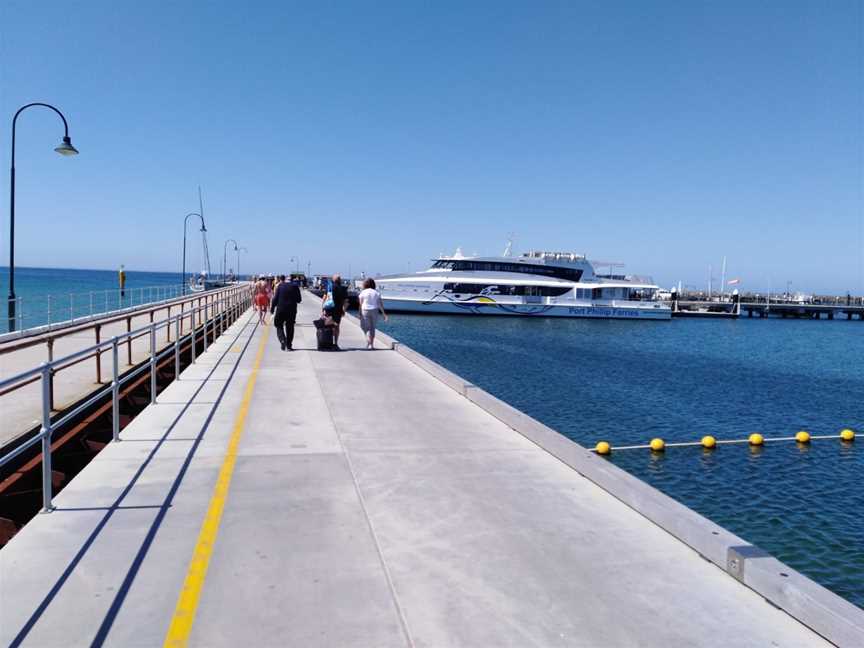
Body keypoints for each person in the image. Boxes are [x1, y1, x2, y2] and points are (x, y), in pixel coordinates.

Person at [271, 274, 302, 350]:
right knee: (290, 327)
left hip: (281, 309)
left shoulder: (280, 286)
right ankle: (289, 345)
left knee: (278, 325)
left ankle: (282, 340)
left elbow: (275, 299)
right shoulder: (295, 287)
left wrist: (272, 308)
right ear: (292, 280)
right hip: (291, 310)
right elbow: (299, 300)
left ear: (285, 279)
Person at [358, 278, 388, 349]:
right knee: (372, 328)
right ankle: (371, 345)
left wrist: (359, 313)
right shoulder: (376, 292)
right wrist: (384, 314)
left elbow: (360, 304)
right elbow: (380, 304)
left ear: (365, 284)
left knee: (364, 327)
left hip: (365, 310)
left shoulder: (363, 292)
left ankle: (368, 340)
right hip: (375, 310)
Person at [327, 274, 349, 350]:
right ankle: (335, 343)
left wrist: (323, 309)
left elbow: (325, 298)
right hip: (338, 310)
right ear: (340, 280)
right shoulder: (343, 289)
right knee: (337, 326)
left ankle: (328, 342)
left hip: (329, 309)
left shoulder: (330, 287)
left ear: (333, 280)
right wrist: (344, 310)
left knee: (329, 325)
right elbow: (346, 302)